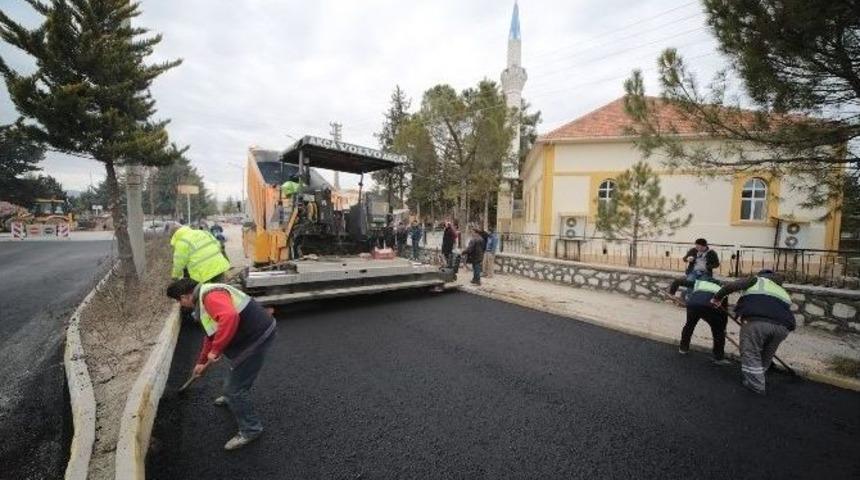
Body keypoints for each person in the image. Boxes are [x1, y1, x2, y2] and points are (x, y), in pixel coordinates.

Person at [166, 278, 276, 450]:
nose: (181, 305)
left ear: (185, 297)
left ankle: (251, 429)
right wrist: (201, 362)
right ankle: (233, 396)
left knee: (234, 389)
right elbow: (211, 335)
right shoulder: (203, 300)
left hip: (256, 337)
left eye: (178, 301)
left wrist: (216, 350)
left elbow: (229, 317)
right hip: (248, 335)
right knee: (238, 369)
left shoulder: (211, 296)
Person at [711, 269, 796, 395]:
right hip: (783, 328)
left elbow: (732, 286)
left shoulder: (756, 280)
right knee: (766, 354)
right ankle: (759, 375)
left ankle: (756, 385)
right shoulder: (782, 290)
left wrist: (717, 298)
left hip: (756, 322)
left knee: (750, 352)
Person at [668, 276, 730, 365]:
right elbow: (724, 312)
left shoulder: (699, 283)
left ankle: (683, 349)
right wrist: (723, 328)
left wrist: (671, 294)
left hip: (693, 305)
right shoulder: (722, 289)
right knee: (718, 331)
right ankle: (718, 357)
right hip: (710, 307)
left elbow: (678, 280)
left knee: (689, 326)